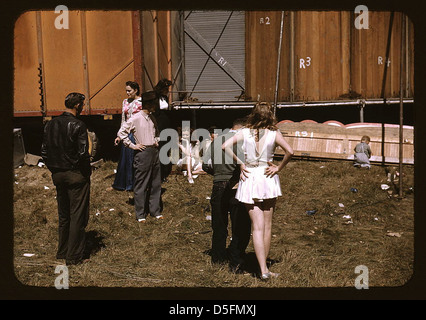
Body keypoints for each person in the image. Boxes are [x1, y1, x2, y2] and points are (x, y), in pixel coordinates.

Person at [222, 102, 294, 280]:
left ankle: (262, 269)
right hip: (267, 176)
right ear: (270, 115)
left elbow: (224, 146)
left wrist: (240, 162)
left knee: (257, 227)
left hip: (250, 176)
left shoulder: (244, 132)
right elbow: (290, 151)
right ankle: (264, 269)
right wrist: (279, 168)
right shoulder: (274, 132)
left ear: (253, 114)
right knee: (267, 226)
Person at [41, 92, 91, 266]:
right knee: (78, 215)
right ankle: (74, 256)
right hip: (75, 175)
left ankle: (62, 251)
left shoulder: (50, 124)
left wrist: (54, 169)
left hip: (57, 174)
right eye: (82, 105)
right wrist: (83, 171)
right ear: (77, 106)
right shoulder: (78, 125)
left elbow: (44, 152)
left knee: (64, 215)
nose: (83, 108)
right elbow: (83, 153)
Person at [203, 118, 251, 273]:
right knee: (240, 225)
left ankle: (217, 258)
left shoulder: (216, 141)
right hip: (237, 185)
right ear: (243, 128)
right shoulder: (241, 140)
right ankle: (236, 260)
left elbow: (205, 164)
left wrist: (217, 174)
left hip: (218, 185)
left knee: (219, 225)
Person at [117, 91, 163, 223]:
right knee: (141, 184)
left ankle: (155, 211)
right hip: (142, 153)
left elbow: (157, 132)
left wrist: (156, 140)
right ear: (148, 105)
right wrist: (132, 146)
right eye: (154, 104)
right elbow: (122, 132)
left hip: (154, 151)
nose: (155, 107)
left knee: (155, 183)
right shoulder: (136, 118)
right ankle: (141, 214)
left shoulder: (152, 118)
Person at [112, 81, 142, 193]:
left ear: (136, 90)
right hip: (127, 133)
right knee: (124, 159)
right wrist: (119, 135)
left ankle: (132, 185)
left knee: (133, 159)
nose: (127, 93)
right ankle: (122, 184)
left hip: (137, 132)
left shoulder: (141, 102)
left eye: (129, 91)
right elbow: (123, 120)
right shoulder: (125, 102)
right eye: (126, 91)